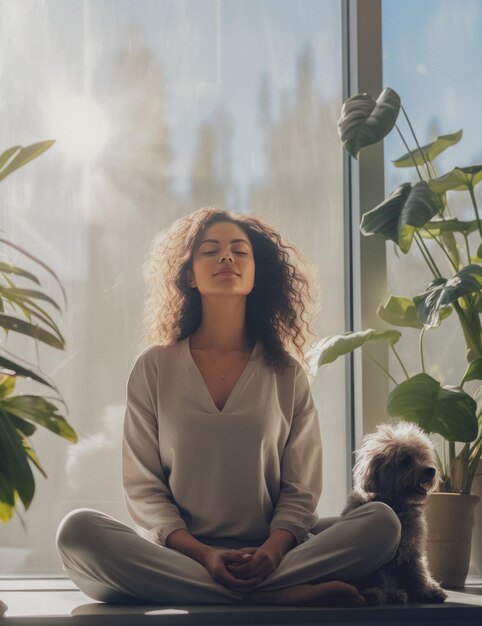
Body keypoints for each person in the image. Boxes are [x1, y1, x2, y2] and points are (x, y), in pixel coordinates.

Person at [56, 207, 401, 607]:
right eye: (210, 251)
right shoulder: (154, 367)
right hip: (182, 554)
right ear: (189, 275)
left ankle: (235, 590)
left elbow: (300, 490)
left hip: (276, 551)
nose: (227, 258)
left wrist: (272, 551)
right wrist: (205, 555)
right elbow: (144, 489)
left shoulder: (286, 373)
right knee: (77, 531)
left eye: (240, 251)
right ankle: (277, 596)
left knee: (382, 523)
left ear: (257, 274)